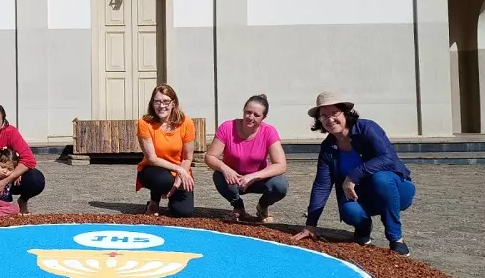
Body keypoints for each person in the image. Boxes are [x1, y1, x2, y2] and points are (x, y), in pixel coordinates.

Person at [292, 92, 415, 256]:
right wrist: (310, 225)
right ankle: (363, 228)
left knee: (381, 179)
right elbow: (322, 185)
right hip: (360, 196)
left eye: (334, 113)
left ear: (345, 113)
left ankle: (396, 238)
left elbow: (388, 158)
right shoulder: (328, 147)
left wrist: (353, 176)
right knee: (349, 211)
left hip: (397, 191)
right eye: (324, 116)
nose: (330, 119)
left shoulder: (367, 128)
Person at [204, 94, 289, 223]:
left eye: (256, 115)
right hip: (234, 179)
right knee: (218, 175)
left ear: (263, 117)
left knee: (280, 184)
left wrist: (253, 176)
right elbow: (210, 157)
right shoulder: (227, 127)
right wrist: (225, 169)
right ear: (243, 111)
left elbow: (281, 165)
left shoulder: (269, 132)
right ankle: (238, 207)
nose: (251, 117)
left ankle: (262, 206)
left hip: (258, 179)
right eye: (248, 112)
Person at [136, 85, 196, 218]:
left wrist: (180, 176)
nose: (161, 106)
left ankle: (172, 198)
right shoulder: (144, 123)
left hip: (180, 171)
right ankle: (154, 201)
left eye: (166, 101)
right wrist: (179, 171)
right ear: (152, 103)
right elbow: (152, 158)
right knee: (162, 180)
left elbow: (187, 158)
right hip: (153, 170)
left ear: (173, 103)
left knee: (183, 212)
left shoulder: (187, 123)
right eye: (157, 101)